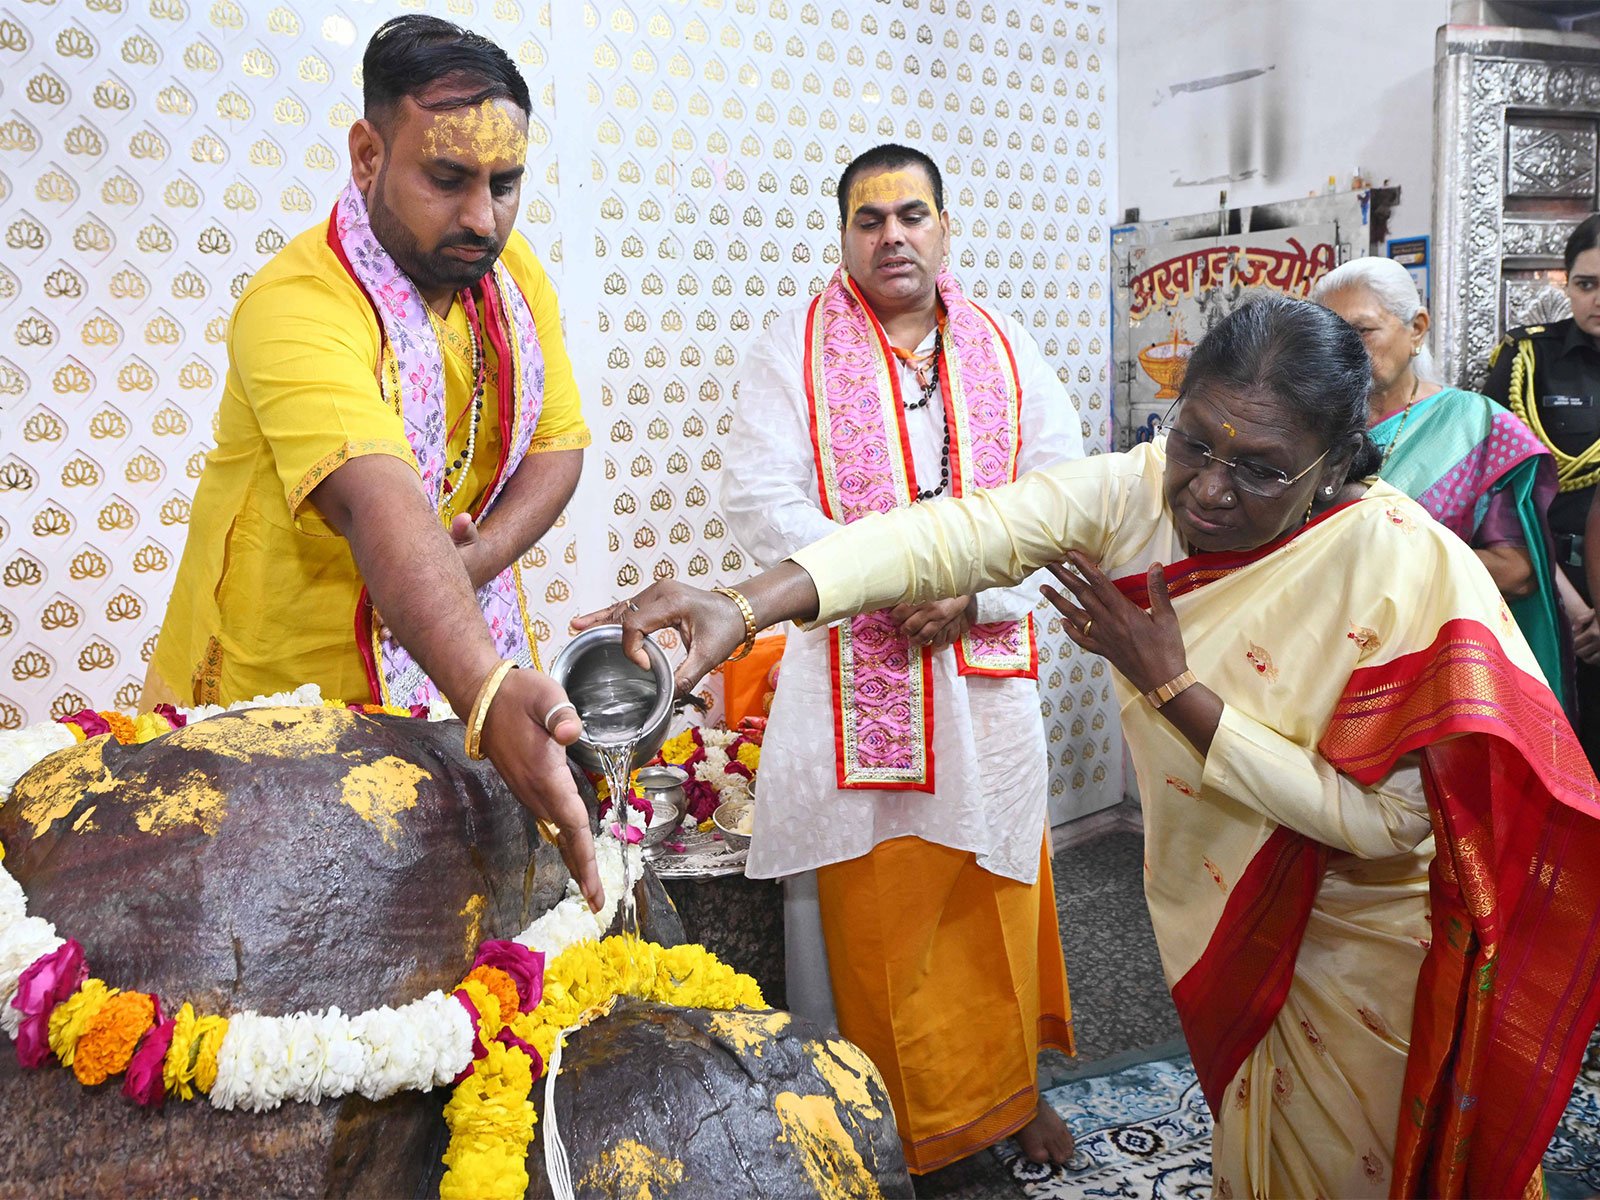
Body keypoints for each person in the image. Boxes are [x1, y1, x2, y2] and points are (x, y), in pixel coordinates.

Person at [581, 297, 1600, 1198]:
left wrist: (1177, 694)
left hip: (1364, 942)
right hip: (1220, 899)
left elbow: (1389, 825)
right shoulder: (1137, 493)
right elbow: (955, 535)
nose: (1206, 490)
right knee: (1258, 1148)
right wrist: (742, 604)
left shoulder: (1404, 567)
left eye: (1259, 470)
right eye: (1194, 443)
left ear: (1337, 464)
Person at [143, 16, 603, 909]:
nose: (482, 218)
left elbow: (559, 446)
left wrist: (470, 563)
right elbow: (376, 500)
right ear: (367, 154)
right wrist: (487, 690)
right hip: (280, 703)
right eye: (447, 179)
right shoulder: (296, 302)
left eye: (505, 186)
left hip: (446, 648)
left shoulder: (514, 284)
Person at [719, 143, 1082, 1173]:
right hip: (857, 682)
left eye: (910, 215)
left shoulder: (1004, 348)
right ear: (843, 236)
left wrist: (975, 592)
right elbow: (758, 496)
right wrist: (889, 577)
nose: (892, 236)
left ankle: (1011, 1100)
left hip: (985, 687)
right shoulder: (792, 346)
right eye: (869, 219)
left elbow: (1061, 498)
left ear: (944, 228)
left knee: (992, 899)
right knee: (874, 916)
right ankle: (885, 1130)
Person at [1312, 257, 1569, 706]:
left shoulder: (1476, 426)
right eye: (1331, 336)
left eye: (1362, 331)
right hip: (1318, 653)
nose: (1345, 351)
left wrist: (1388, 553)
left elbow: (1519, 573)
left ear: (1417, 328)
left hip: (1432, 667)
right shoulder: (1308, 427)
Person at [1484, 213, 1600, 764]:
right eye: (1586, 284)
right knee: (1547, 753)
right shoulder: (1529, 359)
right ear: (1567, 283)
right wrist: (1574, 607)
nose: (1598, 299)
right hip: (1543, 586)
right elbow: (1502, 491)